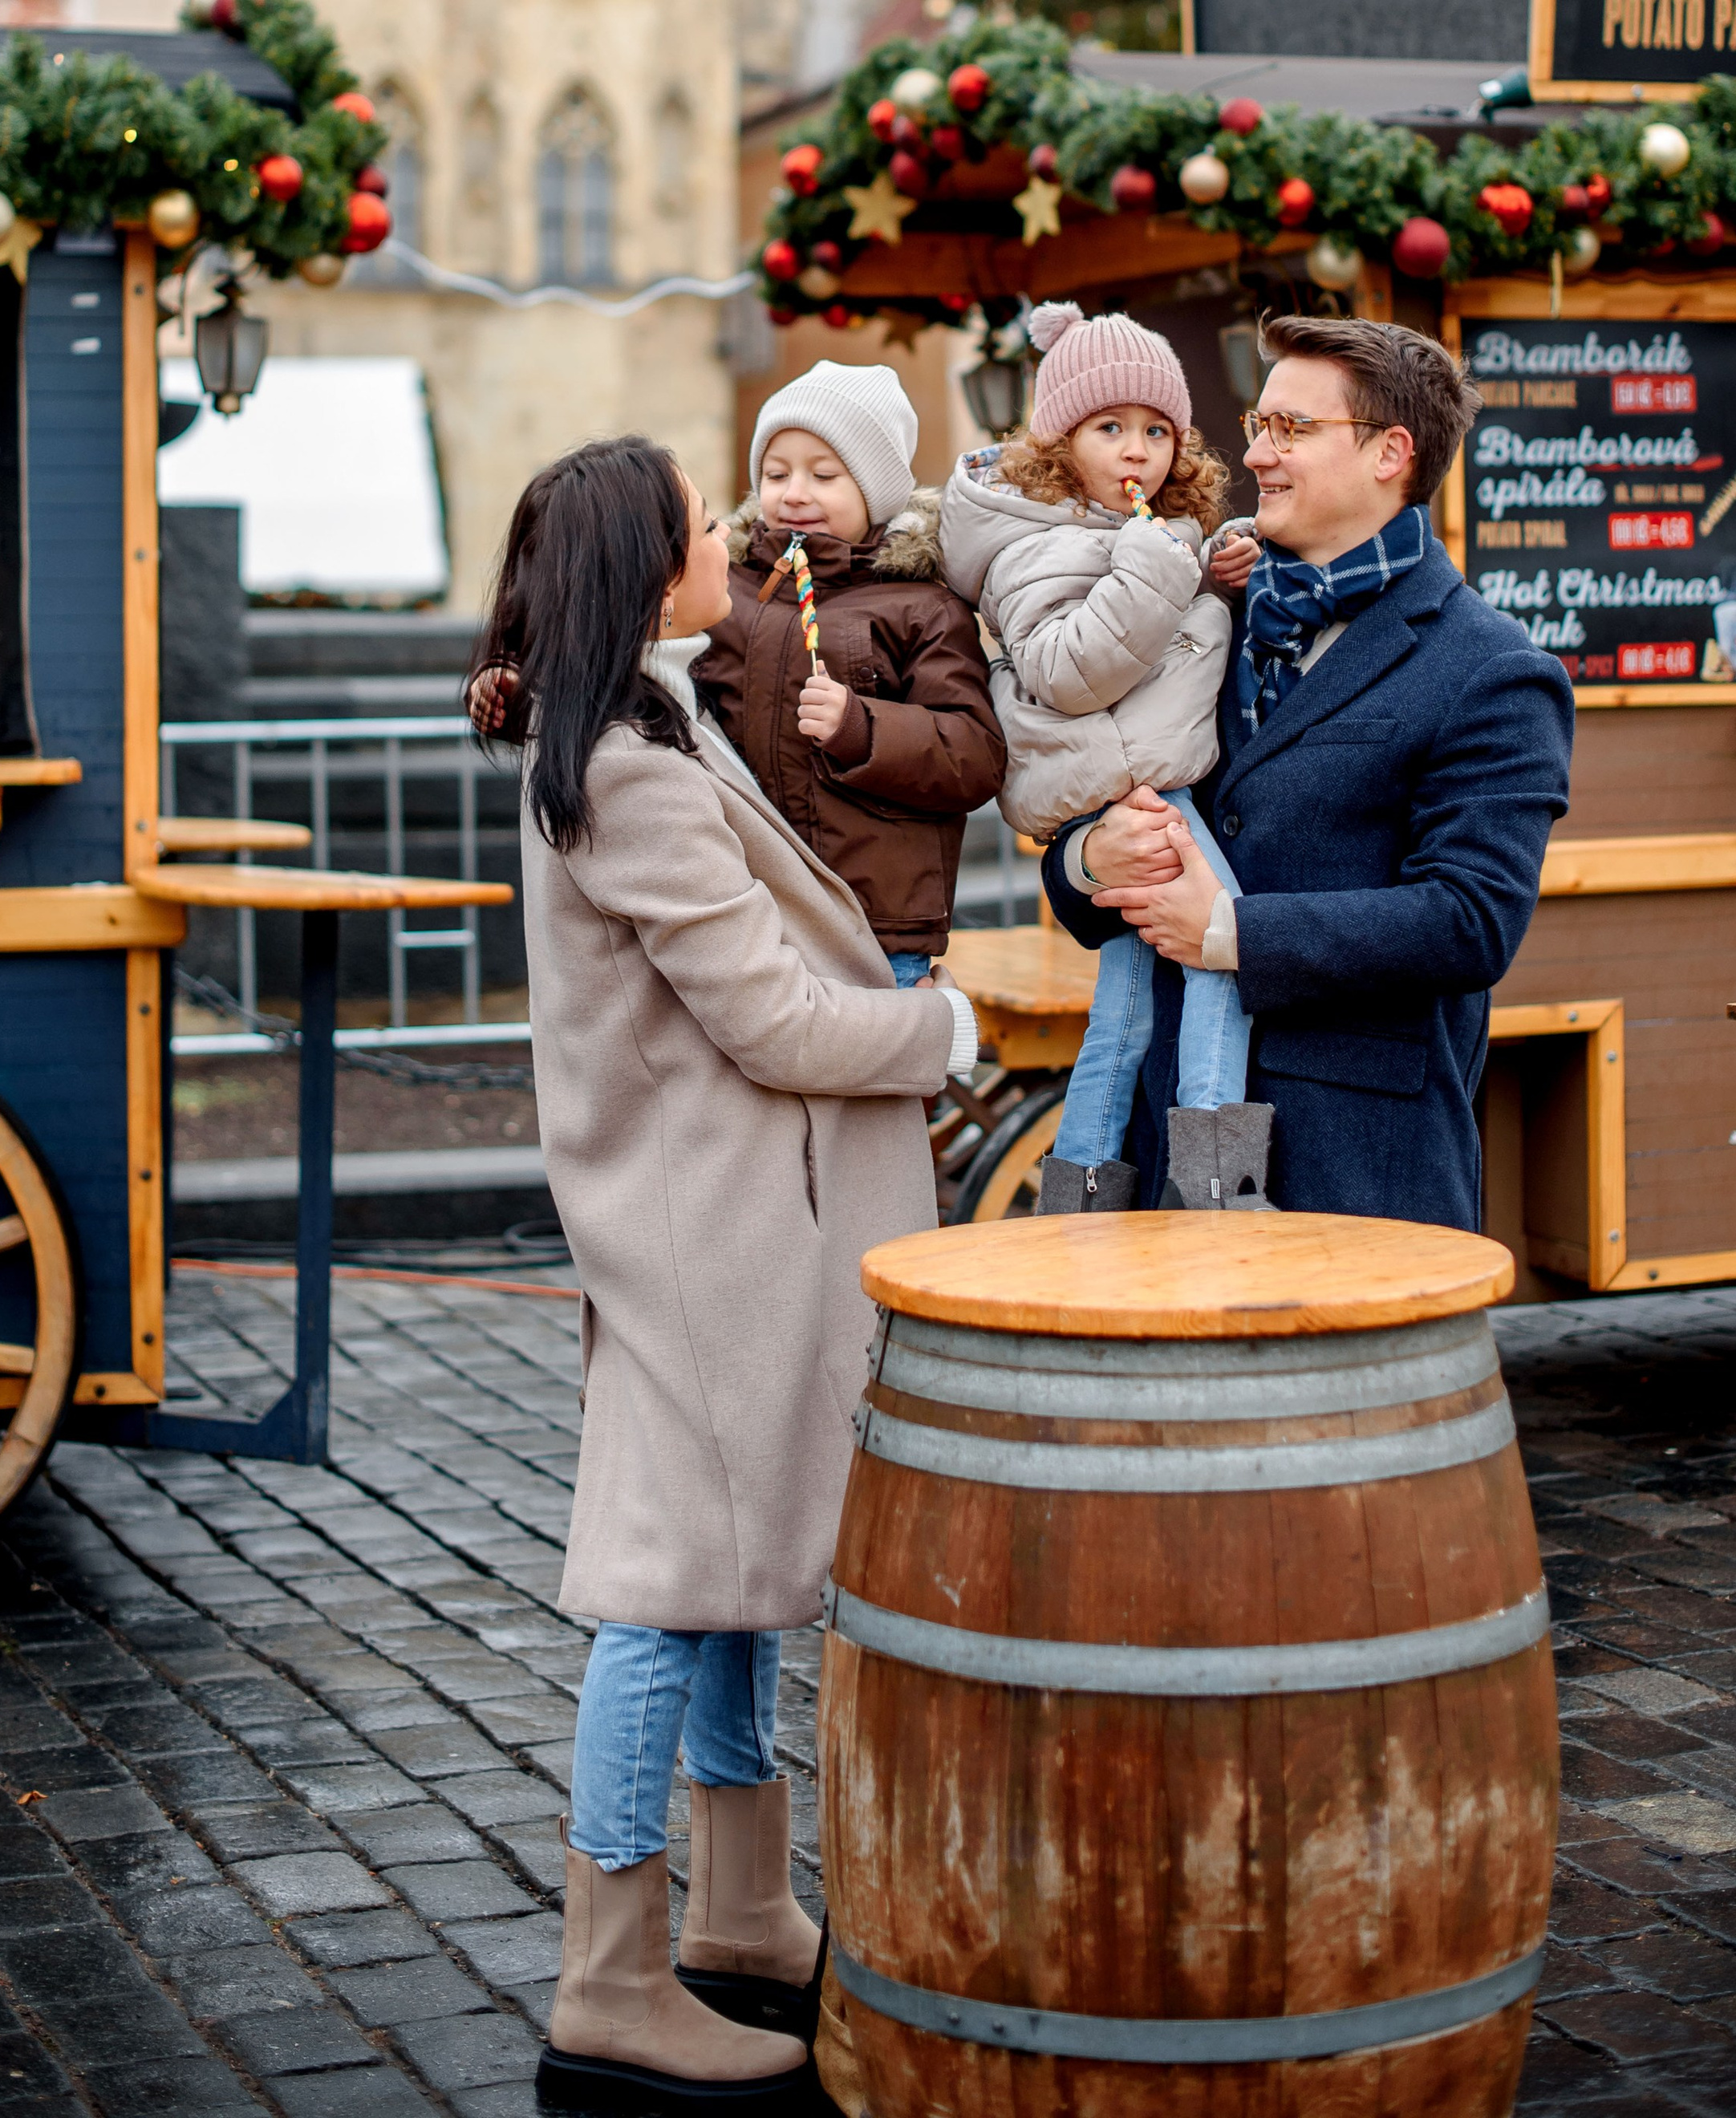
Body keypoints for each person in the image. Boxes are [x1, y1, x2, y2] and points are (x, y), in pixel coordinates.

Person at [483, 436, 979, 2118]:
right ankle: (611, 1974)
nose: (731, 529)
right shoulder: (623, 765)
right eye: (703, 518)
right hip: (714, 1230)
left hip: (737, 1220)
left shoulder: (638, 713)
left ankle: (748, 1908)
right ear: (645, 562)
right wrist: (939, 1030)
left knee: (740, 1563)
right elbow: (763, 1015)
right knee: (659, 1587)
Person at [1041, 313, 1576, 1228]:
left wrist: (1232, 933)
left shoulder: (1492, 669)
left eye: (1291, 429)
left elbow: (1470, 921)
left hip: (1356, 1175)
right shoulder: (1197, 619)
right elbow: (1082, 858)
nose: (1256, 454)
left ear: (1389, 453)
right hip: (1154, 1157)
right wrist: (1093, 857)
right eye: (1259, 424)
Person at [939, 302, 1263, 1215]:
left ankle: (1078, 1189)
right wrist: (1168, 571)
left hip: (1124, 778)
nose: (1137, 450)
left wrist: (1199, 574)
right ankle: (1216, 1185)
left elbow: (1129, 631)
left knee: (1123, 1007)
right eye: (1109, 427)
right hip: (1134, 785)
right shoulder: (1032, 539)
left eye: (1157, 430)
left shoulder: (1112, 531)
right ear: (1057, 438)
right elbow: (1066, 668)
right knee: (1223, 950)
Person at [696, 359, 1007, 986]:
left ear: (877, 490)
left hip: (874, 919)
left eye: (825, 475)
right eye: (776, 473)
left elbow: (974, 754)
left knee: (874, 1076)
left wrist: (860, 728)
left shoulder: (922, 605)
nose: (795, 492)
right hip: (747, 905)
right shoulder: (726, 594)